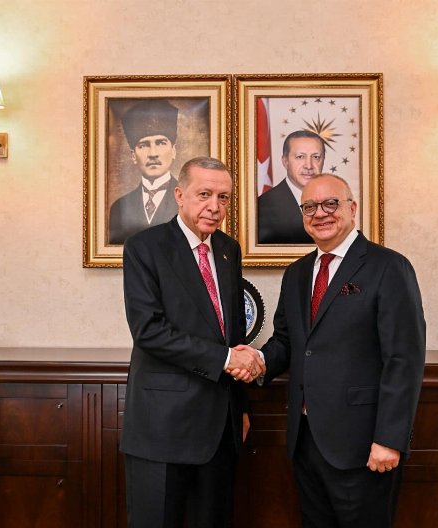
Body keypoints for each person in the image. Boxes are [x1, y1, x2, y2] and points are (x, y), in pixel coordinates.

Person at [234, 173, 426, 528]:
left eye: (330, 204)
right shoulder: (297, 273)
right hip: (305, 441)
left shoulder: (388, 267)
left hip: (363, 444)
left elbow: (404, 359)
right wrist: (257, 360)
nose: (319, 213)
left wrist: (389, 439)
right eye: (309, 207)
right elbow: (287, 342)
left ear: (353, 208)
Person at [121, 156, 265, 528]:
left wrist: (241, 407)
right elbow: (149, 331)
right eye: (204, 194)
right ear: (179, 195)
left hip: (221, 426)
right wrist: (225, 359)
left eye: (223, 197)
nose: (214, 206)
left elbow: (233, 335)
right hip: (162, 426)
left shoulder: (228, 249)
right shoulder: (144, 247)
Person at [108, 99, 182, 245]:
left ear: (173, 150)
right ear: (133, 156)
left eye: (160, 143)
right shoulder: (119, 208)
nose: (153, 153)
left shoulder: (189, 202)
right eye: (143, 145)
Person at [257, 130, 325, 244]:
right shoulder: (262, 208)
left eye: (316, 157)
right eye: (300, 157)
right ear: (285, 162)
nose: (309, 166)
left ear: (323, 161)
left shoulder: (334, 202)